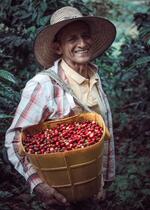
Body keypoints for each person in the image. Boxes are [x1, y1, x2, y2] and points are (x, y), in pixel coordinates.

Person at [5, 6, 116, 206]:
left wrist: (102, 181)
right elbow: (14, 141)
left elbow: (101, 135)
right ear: (58, 48)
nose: (82, 43)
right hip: (61, 195)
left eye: (85, 36)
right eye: (72, 39)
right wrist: (39, 185)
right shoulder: (43, 85)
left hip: (94, 189)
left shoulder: (94, 76)